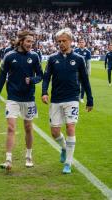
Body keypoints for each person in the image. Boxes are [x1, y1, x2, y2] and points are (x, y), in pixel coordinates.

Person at [42, 28, 93, 174]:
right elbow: (46, 77)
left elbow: (85, 80)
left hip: (72, 98)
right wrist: (44, 92)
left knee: (70, 127)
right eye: (59, 41)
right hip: (56, 99)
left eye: (64, 41)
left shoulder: (78, 59)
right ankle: (64, 148)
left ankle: (68, 163)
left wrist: (90, 99)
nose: (61, 43)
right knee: (55, 131)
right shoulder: (52, 59)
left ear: (70, 41)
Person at [0, 30, 43, 170]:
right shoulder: (9, 56)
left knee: (28, 127)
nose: (30, 44)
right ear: (21, 41)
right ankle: (8, 160)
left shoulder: (34, 56)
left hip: (28, 98)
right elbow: (2, 77)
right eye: (28, 41)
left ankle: (28, 157)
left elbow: (40, 75)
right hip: (13, 97)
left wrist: (31, 80)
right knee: (10, 127)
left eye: (32, 42)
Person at [74, 39, 91, 103]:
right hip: (76, 71)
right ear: (78, 43)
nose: (81, 43)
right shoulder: (75, 51)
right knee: (76, 84)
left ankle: (81, 97)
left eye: (82, 42)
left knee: (83, 84)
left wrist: (89, 72)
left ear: (85, 43)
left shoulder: (88, 52)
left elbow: (89, 63)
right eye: (80, 42)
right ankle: (76, 96)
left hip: (84, 71)